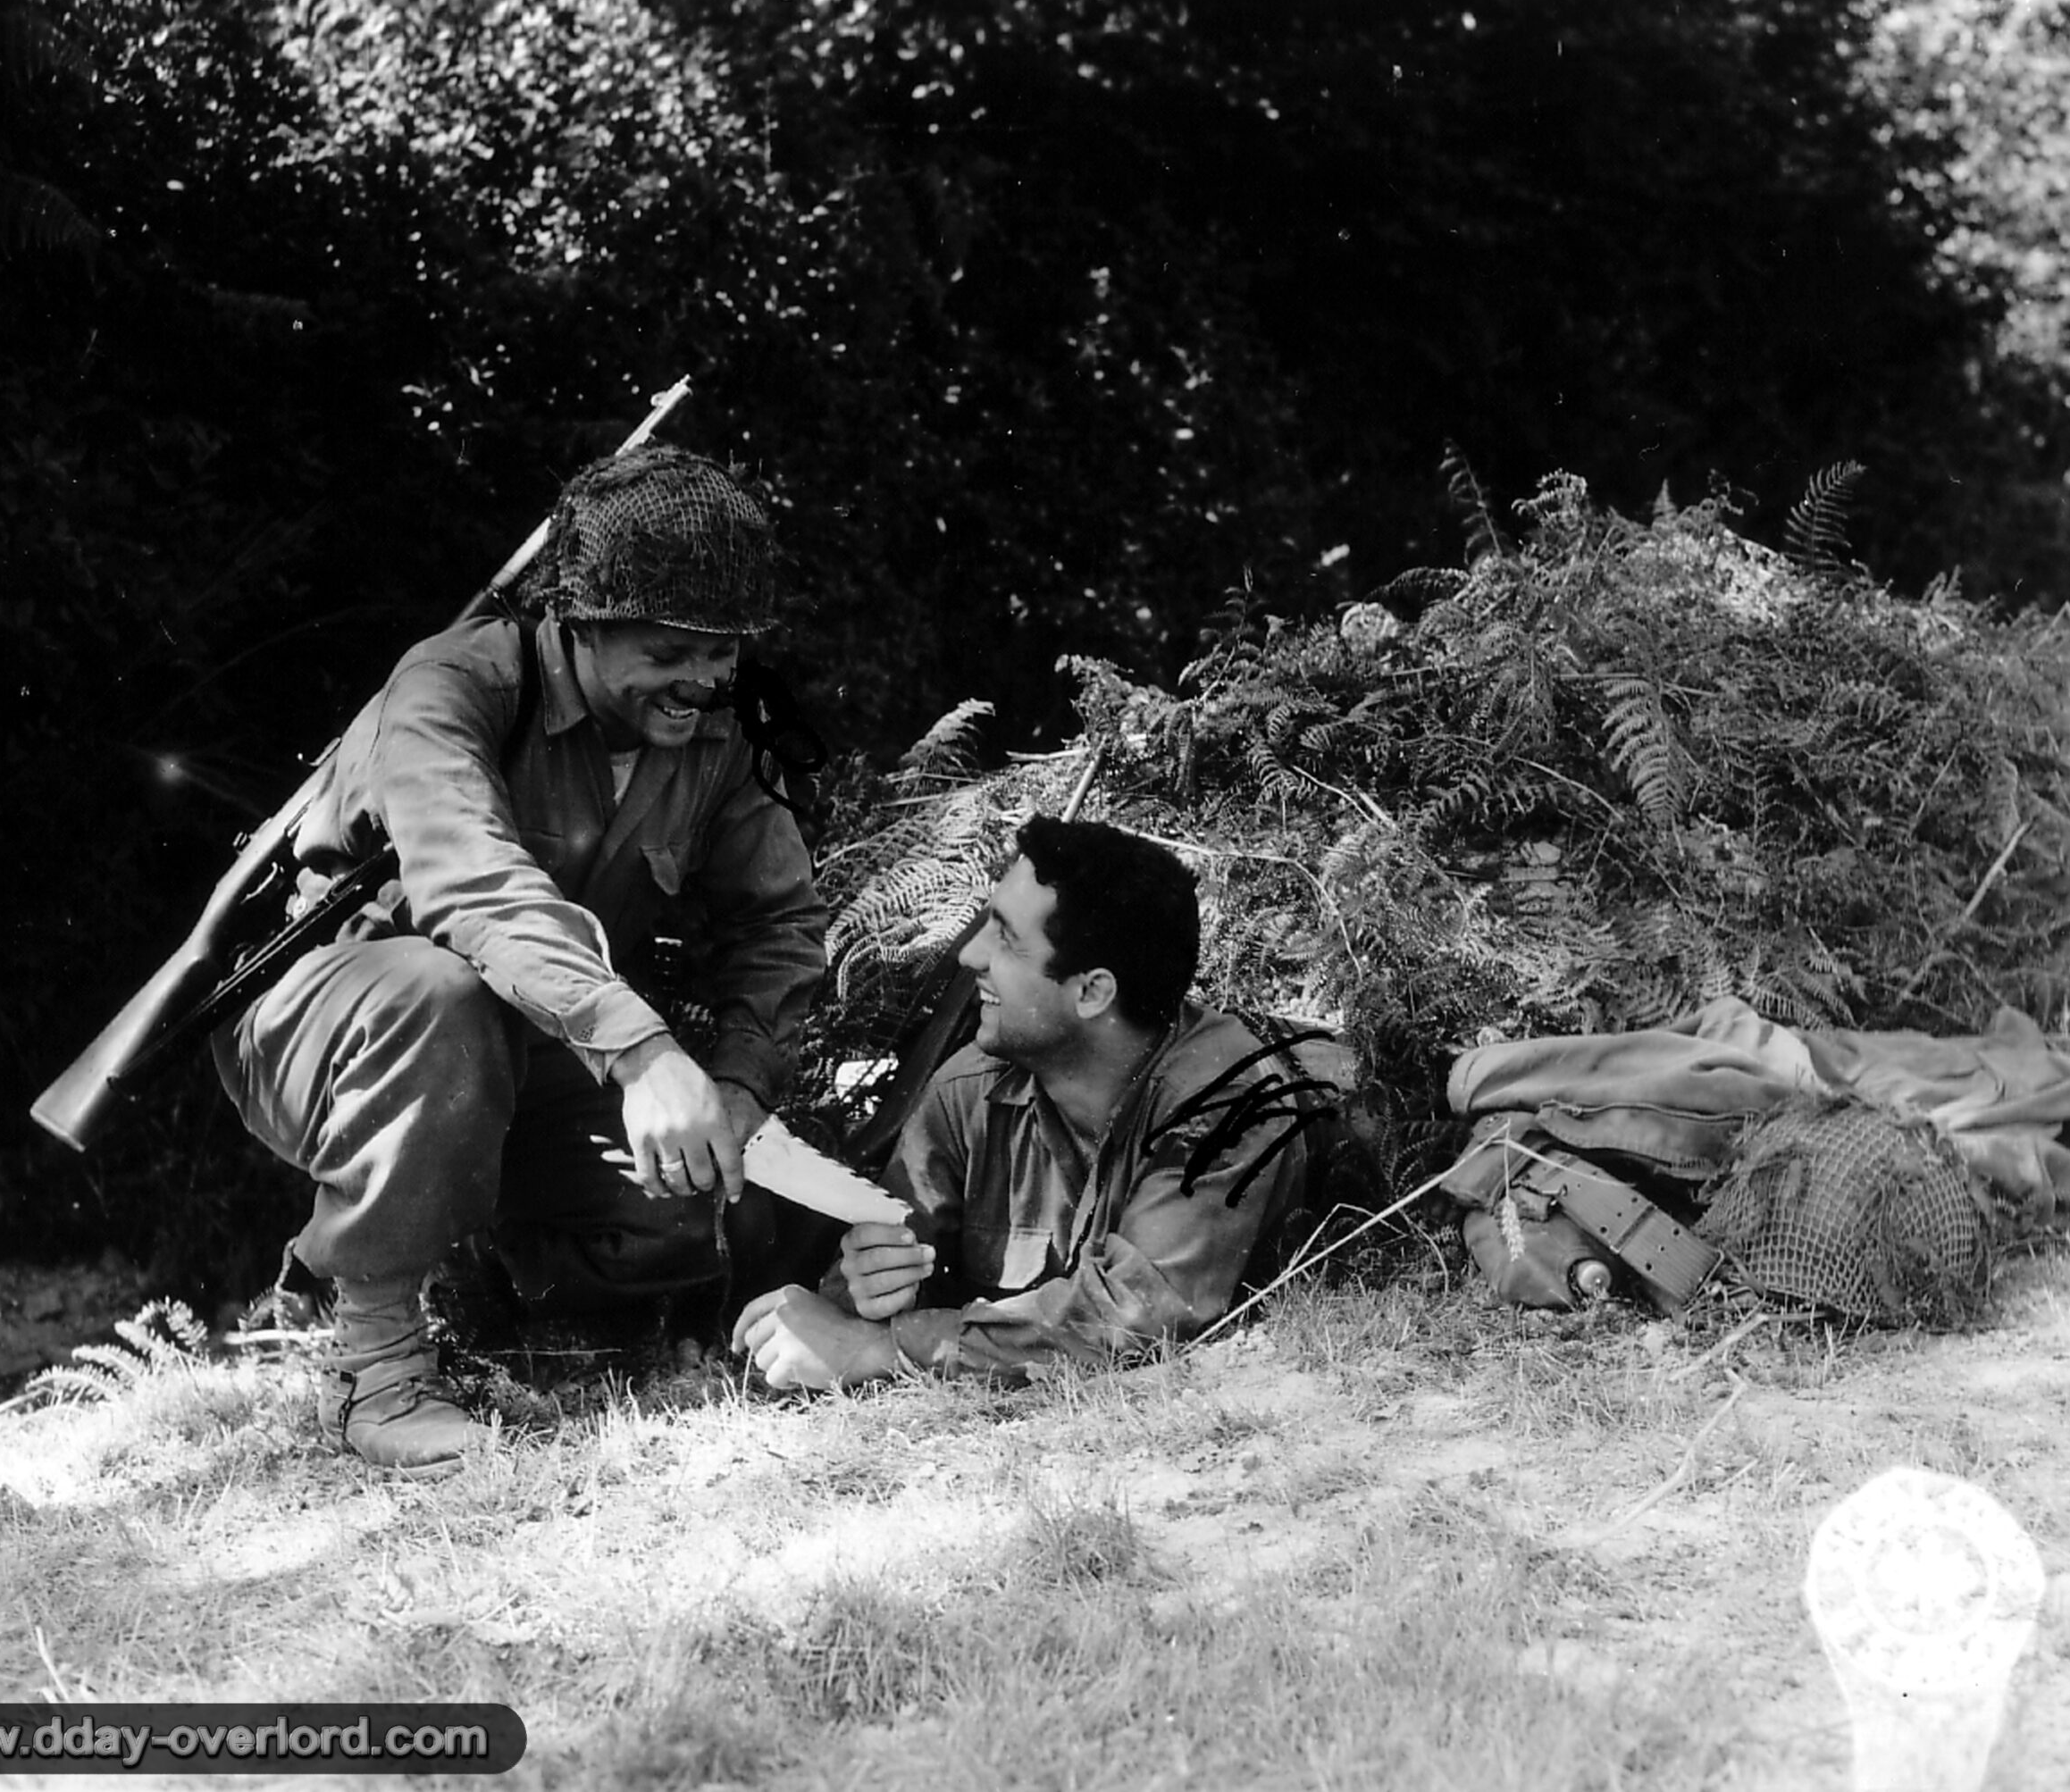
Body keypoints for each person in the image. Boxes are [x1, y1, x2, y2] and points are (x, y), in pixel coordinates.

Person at [216, 446, 827, 1472]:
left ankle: (392, 1289)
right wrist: (641, 1051)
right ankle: (381, 1369)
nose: (706, 678)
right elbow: (472, 881)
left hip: (541, 1044)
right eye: (671, 646)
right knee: (440, 991)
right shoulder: (452, 685)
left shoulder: (718, 736)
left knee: (678, 1206)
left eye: (722, 649)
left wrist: (730, 1089)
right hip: (343, 1024)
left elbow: (777, 928)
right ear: (578, 622)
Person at [733, 816, 1329, 1388]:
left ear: (1092, 991)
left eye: (1007, 939)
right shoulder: (969, 1092)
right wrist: (869, 1291)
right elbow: (864, 1277)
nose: (970, 956)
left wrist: (885, 1347)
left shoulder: (1224, 1093)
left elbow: (1135, 1317)